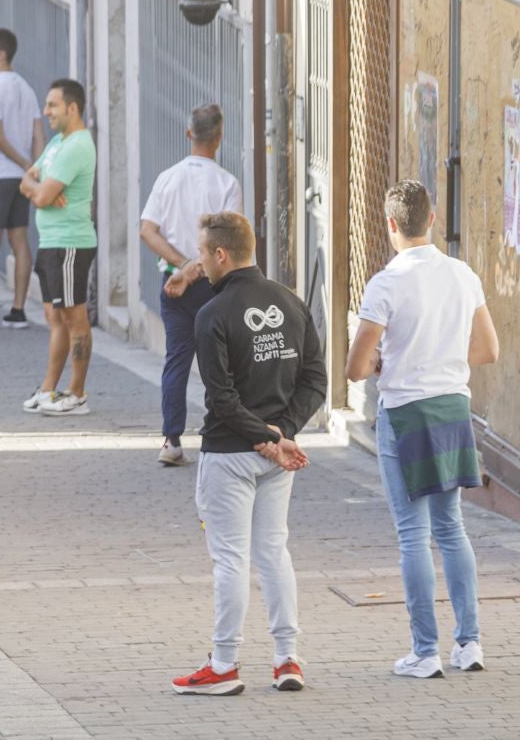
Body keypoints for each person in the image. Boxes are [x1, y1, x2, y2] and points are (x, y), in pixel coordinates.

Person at [345, 180, 499, 679]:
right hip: (453, 407)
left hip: (406, 412)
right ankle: (470, 644)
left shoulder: (386, 283)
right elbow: (488, 350)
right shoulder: (461, 274)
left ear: (391, 225)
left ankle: (424, 651)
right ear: (431, 220)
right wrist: (445, 359)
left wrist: (383, 363)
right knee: (452, 528)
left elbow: (354, 366)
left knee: (413, 534)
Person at [173, 211, 321, 696]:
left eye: (201, 254)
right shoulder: (290, 302)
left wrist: (266, 436)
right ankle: (287, 659)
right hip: (277, 456)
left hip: (229, 454)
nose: (199, 263)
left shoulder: (212, 314)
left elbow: (220, 398)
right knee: (273, 551)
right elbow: (315, 379)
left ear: (220, 254)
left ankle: (224, 663)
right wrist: (282, 434)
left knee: (231, 559)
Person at [141, 104, 244, 465]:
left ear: (189, 135)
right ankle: (219, 434)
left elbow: (147, 230)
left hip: (172, 283)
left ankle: (171, 440)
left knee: (177, 359)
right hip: (213, 287)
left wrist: (181, 269)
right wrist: (195, 268)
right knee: (220, 362)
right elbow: (226, 245)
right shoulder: (227, 184)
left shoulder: (167, 178)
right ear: (219, 137)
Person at [21, 79, 99, 414]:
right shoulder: (56, 143)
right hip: (51, 242)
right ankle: (49, 389)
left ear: (72, 108)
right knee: (55, 315)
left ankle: (76, 392)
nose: (46, 111)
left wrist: (39, 191)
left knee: (74, 316)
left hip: (70, 244)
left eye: (52, 105)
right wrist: (37, 188)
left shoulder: (76, 146)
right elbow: (27, 181)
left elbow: (38, 194)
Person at [0, 30, 46, 331]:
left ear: (1, 54)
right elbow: (38, 135)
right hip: (20, 179)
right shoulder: (26, 88)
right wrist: (34, 170)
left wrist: (25, 163)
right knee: (20, 239)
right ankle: (17, 310)